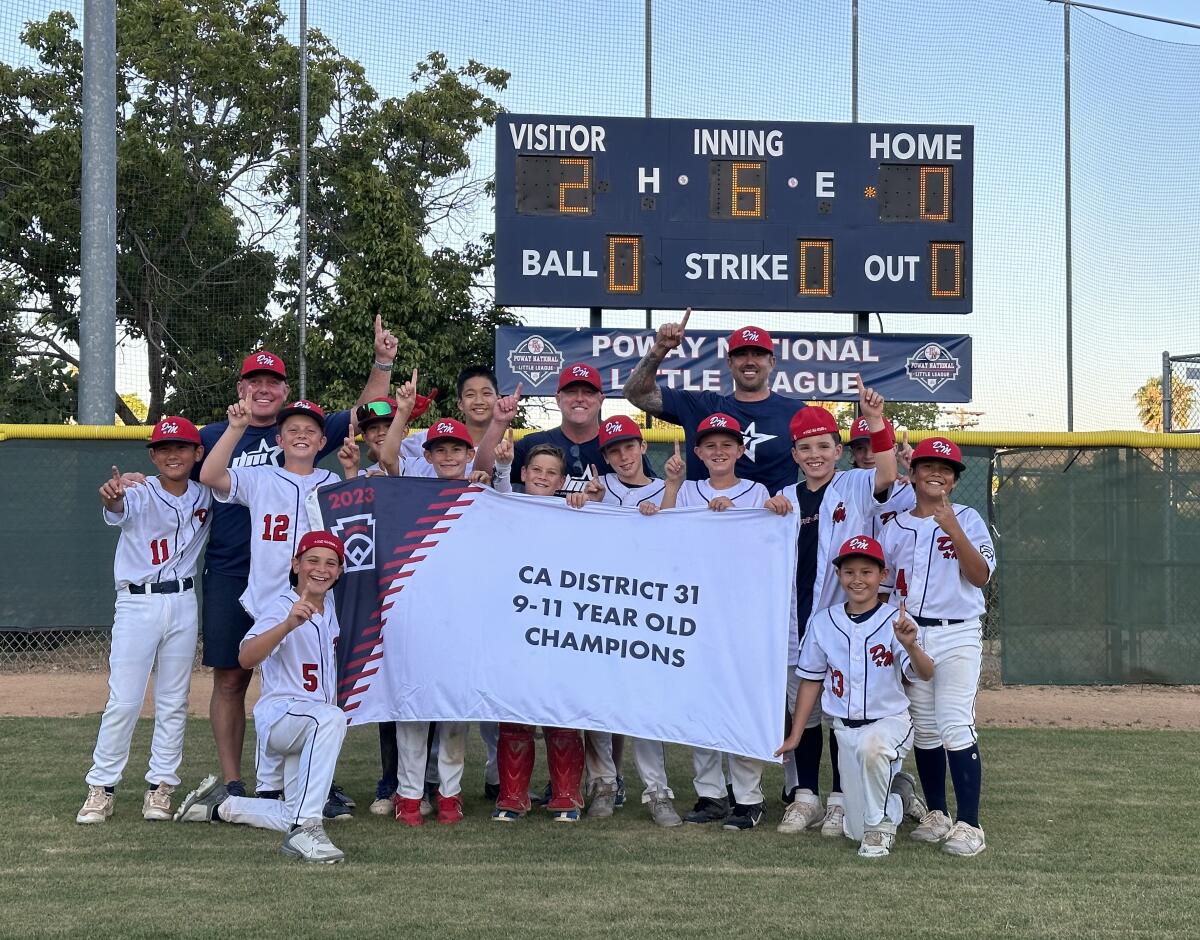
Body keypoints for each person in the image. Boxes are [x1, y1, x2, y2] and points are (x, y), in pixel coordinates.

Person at [196, 320, 396, 803]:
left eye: (272, 383)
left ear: (284, 391)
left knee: (309, 685)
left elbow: (365, 412)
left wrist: (384, 365)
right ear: (242, 388)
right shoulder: (220, 436)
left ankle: (304, 782)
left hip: (309, 590)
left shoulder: (323, 468)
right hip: (239, 579)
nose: (263, 389)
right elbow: (196, 472)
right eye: (254, 382)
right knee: (234, 677)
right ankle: (240, 784)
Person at [200, 397, 342, 810]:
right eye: (293, 430)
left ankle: (299, 781)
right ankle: (254, 782)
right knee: (262, 683)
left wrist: (351, 471)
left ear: (321, 441)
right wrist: (236, 429)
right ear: (279, 439)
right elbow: (210, 474)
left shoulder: (333, 482)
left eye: (310, 430)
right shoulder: (260, 477)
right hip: (266, 600)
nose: (301, 435)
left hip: (317, 597)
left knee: (310, 686)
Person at [650, 414, 790, 831]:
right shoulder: (689, 489)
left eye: (727, 444)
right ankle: (710, 793)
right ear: (697, 452)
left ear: (741, 449)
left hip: (743, 613)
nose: (718, 451)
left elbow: (768, 539)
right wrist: (672, 487)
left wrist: (773, 510)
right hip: (697, 613)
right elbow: (668, 535)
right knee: (701, 706)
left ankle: (748, 797)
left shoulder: (757, 491)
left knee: (740, 702)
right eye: (709, 445)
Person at [174, 532, 349, 864]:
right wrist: (287, 625)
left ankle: (217, 806)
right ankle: (305, 831)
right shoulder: (282, 606)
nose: (321, 569)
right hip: (283, 716)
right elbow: (245, 657)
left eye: (331, 563)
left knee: (290, 811)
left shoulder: (331, 609)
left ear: (340, 571)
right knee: (332, 717)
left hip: (308, 726)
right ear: (295, 564)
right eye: (312, 560)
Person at [773, 382, 898, 838]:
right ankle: (804, 797)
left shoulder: (855, 484)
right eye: (805, 448)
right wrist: (769, 507)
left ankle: (841, 801)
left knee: (843, 714)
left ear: (838, 449)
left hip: (846, 622)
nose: (815, 455)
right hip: (794, 622)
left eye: (823, 446)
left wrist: (877, 421)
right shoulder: (783, 495)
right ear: (794, 454)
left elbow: (886, 472)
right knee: (801, 713)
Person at [76, 418, 211, 825]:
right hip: (137, 603)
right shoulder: (138, 490)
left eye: (182, 447)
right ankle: (101, 788)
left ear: (197, 453)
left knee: (174, 700)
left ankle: (161, 788)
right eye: (164, 448)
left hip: (185, 601)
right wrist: (112, 496)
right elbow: (117, 506)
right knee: (124, 701)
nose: (173, 454)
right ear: (152, 455)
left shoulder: (208, 494)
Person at [776, 535, 934, 858]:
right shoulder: (823, 623)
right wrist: (795, 735)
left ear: (882, 575)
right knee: (853, 829)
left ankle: (880, 831)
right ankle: (901, 793)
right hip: (845, 729)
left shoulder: (896, 621)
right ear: (839, 576)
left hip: (889, 722)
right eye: (849, 572)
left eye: (867, 571)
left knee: (872, 749)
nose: (858, 579)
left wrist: (911, 645)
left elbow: (925, 673)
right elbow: (810, 681)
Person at [878, 436, 995, 857]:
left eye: (946, 469)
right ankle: (938, 814)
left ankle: (970, 825)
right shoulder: (895, 526)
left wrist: (953, 529)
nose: (937, 473)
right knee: (924, 729)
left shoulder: (969, 518)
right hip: (911, 633)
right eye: (928, 465)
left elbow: (980, 576)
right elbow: (886, 588)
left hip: (958, 631)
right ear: (912, 474)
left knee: (953, 724)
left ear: (955, 480)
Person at [567, 415, 676, 825]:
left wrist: (664, 506)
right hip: (600, 609)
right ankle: (603, 783)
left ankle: (657, 789)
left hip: (647, 611)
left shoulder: (665, 490)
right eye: (614, 450)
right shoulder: (598, 488)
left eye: (629, 446)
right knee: (599, 699)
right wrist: (586, 502)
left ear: (643, 447)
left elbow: (675, 546)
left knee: (645, 702)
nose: (623, 455)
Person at [390, 417, 488, 827]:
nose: (449, 456)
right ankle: (408, 795)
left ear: (470, 454)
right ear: (427, 457)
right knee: (411, 708)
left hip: (462, 617)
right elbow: (387, 460)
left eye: (457, 450)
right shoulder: (410, 493)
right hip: (414, 614)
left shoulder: (484, 496)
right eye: (440, 450)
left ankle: (450, 793)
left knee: (454, 712)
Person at [490, 443, 588, 823]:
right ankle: (513, 795)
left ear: (561, 480)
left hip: (561, 627)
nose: (543, 477)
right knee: (515, 713)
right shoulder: (507, 505)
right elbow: (497, 493)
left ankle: (566, 794)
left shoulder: (575, 511)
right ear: (525, 473)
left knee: (561, 711)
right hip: (514, 626)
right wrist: (501, 465)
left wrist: (587, 507)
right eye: (536, 470)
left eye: (551, 472)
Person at [623, 312, 799, 496]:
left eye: (758, 354)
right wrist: (660, 347)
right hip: (704, 520)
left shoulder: (796, 413)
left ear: (772, 362)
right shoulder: (702, 407)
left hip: (772, 520)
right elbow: (635, 393)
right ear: (729, 363)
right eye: (741, 355)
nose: (749, 361)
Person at [512, 362, 652, 495]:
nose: (579, 398)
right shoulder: (531, 445)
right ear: (558, 399)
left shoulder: (619, 448)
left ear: (601, 400)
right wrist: (499, 423)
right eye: (571, 392)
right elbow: (493, 485)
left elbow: (649, 495)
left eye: (588, 392)